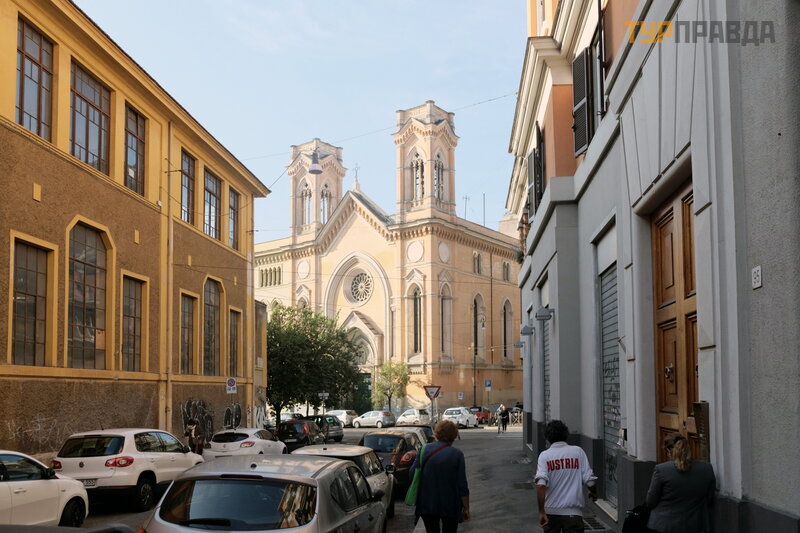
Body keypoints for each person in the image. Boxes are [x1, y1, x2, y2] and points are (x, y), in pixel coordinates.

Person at [645, 434, 715, 533]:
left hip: (664, 525)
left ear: (669, 451)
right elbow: (710, 498)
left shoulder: (661, 470)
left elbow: (650, 502)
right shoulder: (706, 468)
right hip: (696, 525)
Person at [535, 419, 597, 532]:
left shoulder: (544, 456)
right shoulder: (578, 452)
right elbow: (590, 482)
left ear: (547, 438)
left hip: (551, 513)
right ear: (566, 434)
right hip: (573, 514)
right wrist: (593, 492)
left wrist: (541, 511)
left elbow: (541, 486)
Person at [411, 420, 470, 533]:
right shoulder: (457, 454)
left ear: (437, 433)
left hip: (428, 503)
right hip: (450, 504)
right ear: (454, 435)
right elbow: (462, 485)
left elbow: (412, 474)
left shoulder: (424, 450)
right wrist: (466, 507)